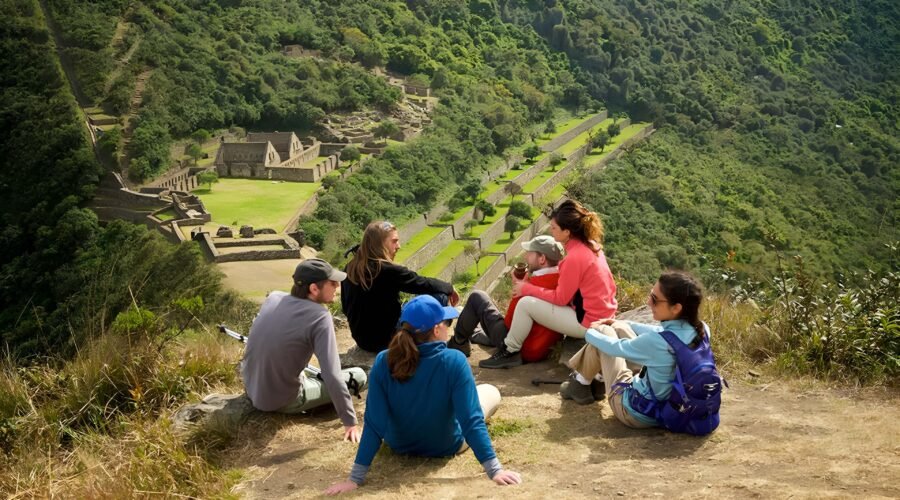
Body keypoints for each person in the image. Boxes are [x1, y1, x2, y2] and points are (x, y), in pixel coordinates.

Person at [324, 295, 522, 495]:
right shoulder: (455, 360)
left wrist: (355, 478)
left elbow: (374, 423)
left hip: (398, 444)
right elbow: (471, 420)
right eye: (446, 323)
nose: (448, 327)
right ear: (436, 329)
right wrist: (494, 470)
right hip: (446, 445)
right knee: (490, 391)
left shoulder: (384, 360)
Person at [480, 199, 618, 369]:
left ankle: (510, 351)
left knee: (525, 304)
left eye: (554, 228)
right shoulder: (592, 246)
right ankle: (510, 348)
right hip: (604, 315)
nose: (551, 232)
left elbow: (560, 299)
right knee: (531, 300)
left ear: (567, 232)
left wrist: (527, 288)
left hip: (588, 323)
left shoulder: (574, 258)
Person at [241, 259, 368, 442]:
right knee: (359, 376)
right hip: (283, 400)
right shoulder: (320, 317)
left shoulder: (274, 297)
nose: (337, 286)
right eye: (332, 283)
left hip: (252, 388)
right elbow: (332, 375)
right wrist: (350, 422)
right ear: (314, 289)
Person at [563, 272, 710, 428]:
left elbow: (614, 348)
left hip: (634, 413)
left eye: (654, 299)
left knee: (604, 333)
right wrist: (622, 323)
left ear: (676, 308)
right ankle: (591, 381)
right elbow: (661, 334)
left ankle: (581, 382)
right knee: (618, 326)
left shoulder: (656, 343)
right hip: (669, 407)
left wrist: (589, 331)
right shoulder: (702, 329)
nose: (648, 302)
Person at [342, 220, 459, 353]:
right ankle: (430, 343)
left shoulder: (350, 267)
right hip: (388, 341)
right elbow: (422, 283)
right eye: (394, 241)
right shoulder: (388, 270)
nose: (399, 246)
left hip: (363, 341)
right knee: (440, 297)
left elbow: (346, 308)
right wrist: (449, 288)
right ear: (379, 243)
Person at [448, 235, 565, 363]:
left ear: (542, 259)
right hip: (544, 346)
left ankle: (459, 342)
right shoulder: (564, 281)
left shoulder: (533, 286)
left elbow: (509, 323)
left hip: (521, 348)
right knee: (488, 319)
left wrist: (518, 288)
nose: (526, 257)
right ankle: (475, 334)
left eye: (530, 253)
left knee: (478, 297)